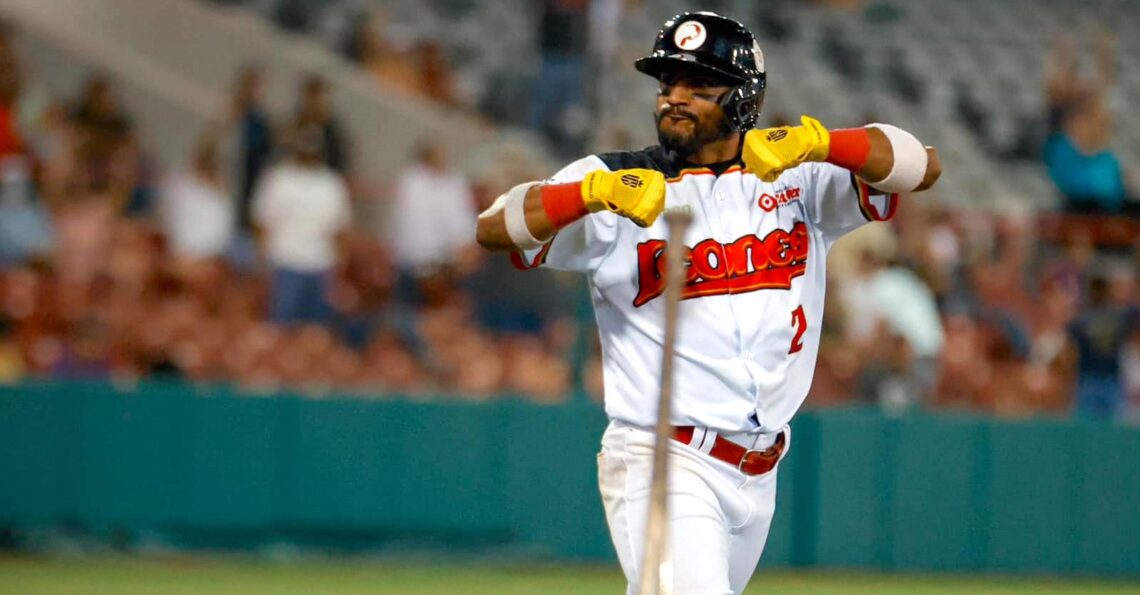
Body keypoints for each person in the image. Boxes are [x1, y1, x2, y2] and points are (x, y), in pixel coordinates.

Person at [474, 12, 941, 594]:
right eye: (668, 83)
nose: (675, 98)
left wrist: (819, 140)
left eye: (698, 85)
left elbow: (920, 164)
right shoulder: (616, 178)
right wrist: (589, 194)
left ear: (744, 96)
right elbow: (495, 227)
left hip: (759, 469)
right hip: (663, 458)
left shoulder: (798, 176)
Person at [252, 124, 351, 325]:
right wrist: (263, 262)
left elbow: (339, 229)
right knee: (282, 326)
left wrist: (337, 269)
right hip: (286, 261)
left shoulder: (331, 184)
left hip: (320, 264)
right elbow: (263, 222)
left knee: (315, 331)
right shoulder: (280, 178)